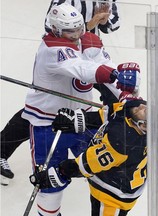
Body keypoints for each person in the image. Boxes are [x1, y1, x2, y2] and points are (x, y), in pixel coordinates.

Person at [19, 3, 139, 215]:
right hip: (47, 123)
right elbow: (83, 69)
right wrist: (112, 75)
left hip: (81, 121)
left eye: (78, 28)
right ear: (56, 29)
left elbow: (104, 65)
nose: (76, 34)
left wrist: (126, 90)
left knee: (102, 171)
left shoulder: (89, 41)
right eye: (69, 30)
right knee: (49, 183)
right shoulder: (51, 48)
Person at [0, 0, 121, 184]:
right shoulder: (62, 6)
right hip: (64, 59)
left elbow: (114, 24)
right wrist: (88, 26)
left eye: (77, 28)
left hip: (88, 52)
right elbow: (50, 26)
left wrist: (101, 23)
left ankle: (113, 145)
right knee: (41, 111)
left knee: (112, 100)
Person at [29, 99, 158, 215]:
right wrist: (77, 120)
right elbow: (109, 114)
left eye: (148, 113)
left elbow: (85, 165)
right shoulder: (135, 108)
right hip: (112, 176)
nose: (144, 107)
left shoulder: (123, 143)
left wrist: (58, 174)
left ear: (143, 127)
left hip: (114, 196)